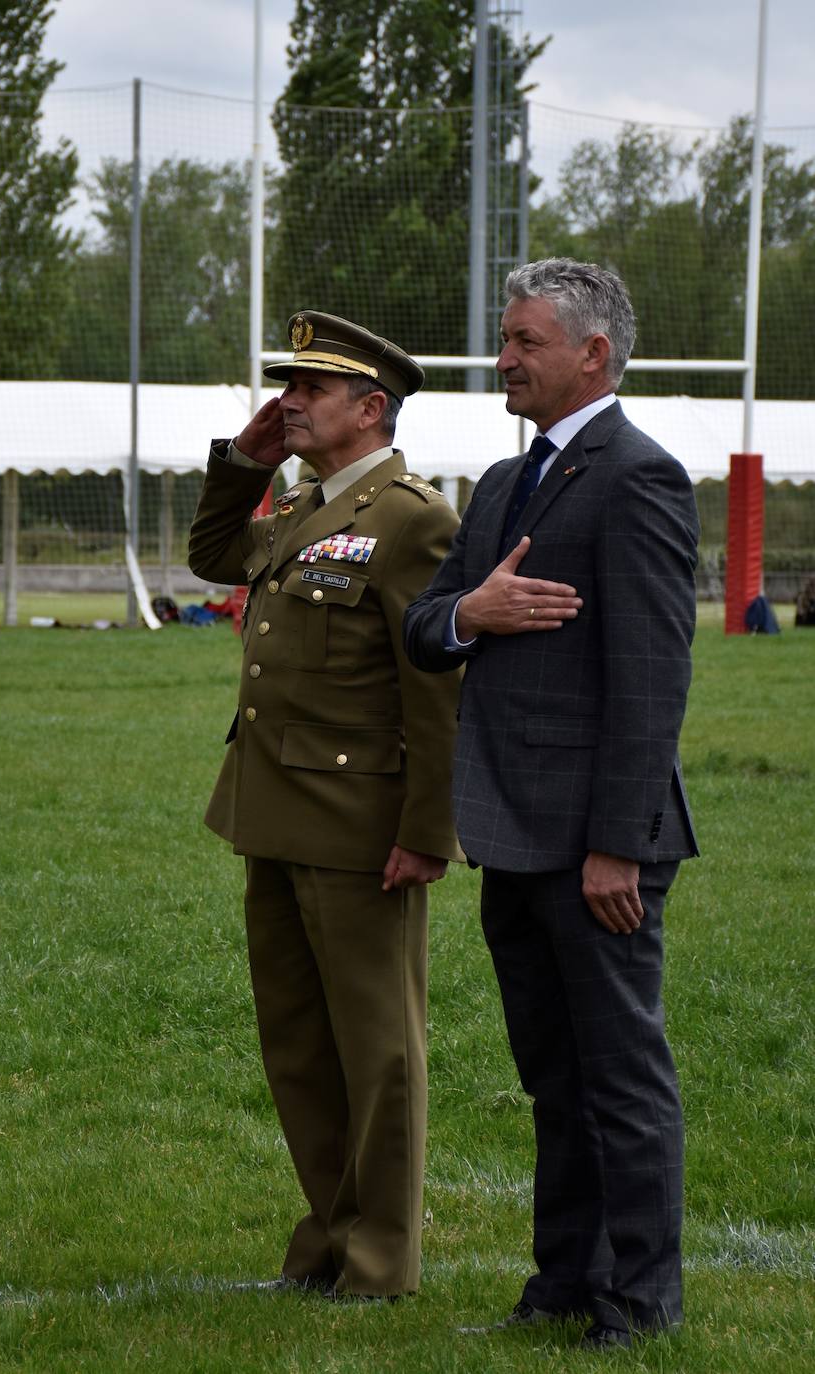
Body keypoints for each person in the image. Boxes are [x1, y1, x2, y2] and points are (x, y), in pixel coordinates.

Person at [403, 259, 699, 1350]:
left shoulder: (639, 477)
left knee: (618, 1079)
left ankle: (640, 1300)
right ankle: (563, 1284)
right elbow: (424, 630)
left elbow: (652, 675)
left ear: (590, 354)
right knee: (552, 1078)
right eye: (503, 339)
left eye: (523, 342)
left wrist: (616, 846)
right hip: (508, 831)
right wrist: (469, 614)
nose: (502, 361)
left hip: (594, 847)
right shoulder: (497, 481)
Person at [188, 310, 463, 1300]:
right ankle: (325, 1239)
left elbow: (435, 687)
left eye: (308, 388)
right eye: (287, 385)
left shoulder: (411, 517)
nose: (288, 401)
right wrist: (240, 463)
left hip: (360, 830)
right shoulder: (308, 507)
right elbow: (214, 555)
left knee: (377, 1051)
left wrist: (425, 832)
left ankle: (380, 1259)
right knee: (300, 1048)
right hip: (272, 810)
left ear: (369, 407)